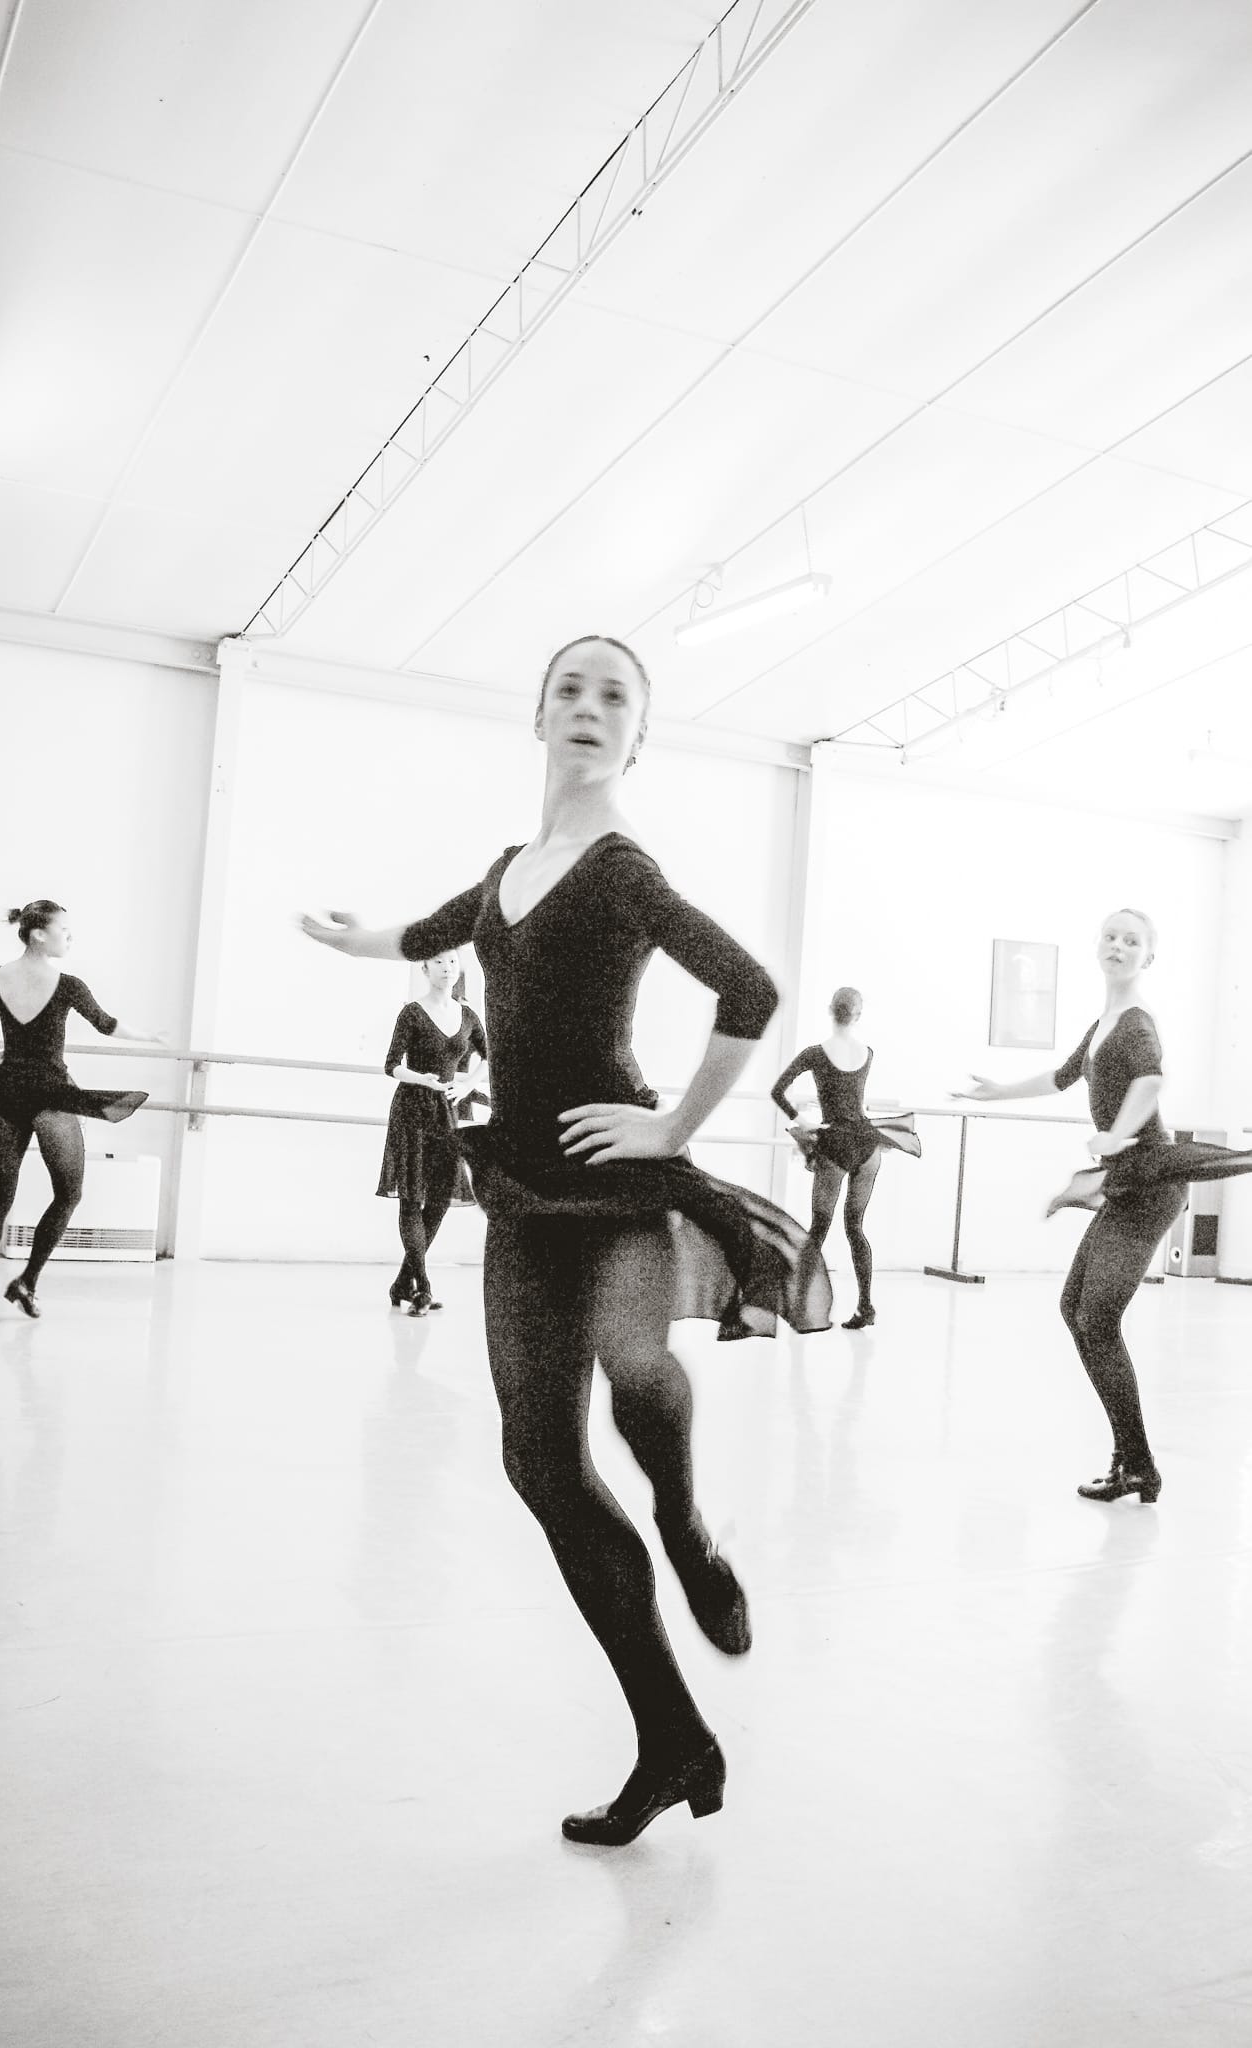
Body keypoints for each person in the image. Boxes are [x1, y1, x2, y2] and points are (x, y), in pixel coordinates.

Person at [301, 633, 831, 1847]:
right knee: (538, 1461)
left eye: (615, 696)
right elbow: (430, 931)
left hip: (616, 1178)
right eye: (570, 690)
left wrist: (673, 1124)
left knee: (637, 1369)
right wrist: (355, 938)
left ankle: (684, 1519)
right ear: (538, 716)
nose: (589, 707)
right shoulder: (508, 871)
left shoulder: (622, 869)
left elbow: (749, 988)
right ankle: (674, 1739)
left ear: (638, 736)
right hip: (524, 1189)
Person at [953, 907, 1252, 1504]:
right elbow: (1062, 1077)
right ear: (1098, 946)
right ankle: (1132, 1462)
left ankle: (1138, 1465)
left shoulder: (1136, 1022)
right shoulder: (1103, 1022)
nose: (1118, 945)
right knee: (1076, 1308)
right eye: (1111, 936)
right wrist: (999, 1091)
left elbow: (1151, 1082)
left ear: (1148, 956)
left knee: (1096, 1318)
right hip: (1128, 1182)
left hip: (1150, 1185)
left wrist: (1117, 1134)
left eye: (1131, 940)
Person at [0, 900, 163, 1323]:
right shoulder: (68, 985)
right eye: (64, 930)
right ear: (39, 934)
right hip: (51, 1096)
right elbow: (107, 1024)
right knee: (69, 1194)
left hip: (9, 1095)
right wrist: (150, 1037)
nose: (70, 936)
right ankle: (26, 1282)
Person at [771, 986, 920, 1330]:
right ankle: (866, 1307)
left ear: (830, 1010)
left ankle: (801, 1308)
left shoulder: (814, 1054)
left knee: (818, 1230)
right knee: (855, 1228)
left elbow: (778, 1091)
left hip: (836, 1144)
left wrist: (802, 1120)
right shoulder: (868, 1053)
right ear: (858, 1015)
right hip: (867, 1144)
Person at [378, 949, 487, 1313]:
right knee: (412, 1197)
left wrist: (467, 1085)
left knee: (439, 1199)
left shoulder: (468, 1016)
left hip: (445, 1113)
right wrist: (420, 1078)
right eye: (438, 962)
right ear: (425, 968)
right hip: (411, 1109)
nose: (446, 968)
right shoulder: (412, 1012)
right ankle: (422, 1287)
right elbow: (391, 1065)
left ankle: (401, 1283)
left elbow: (491, 1056)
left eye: (452, 962)